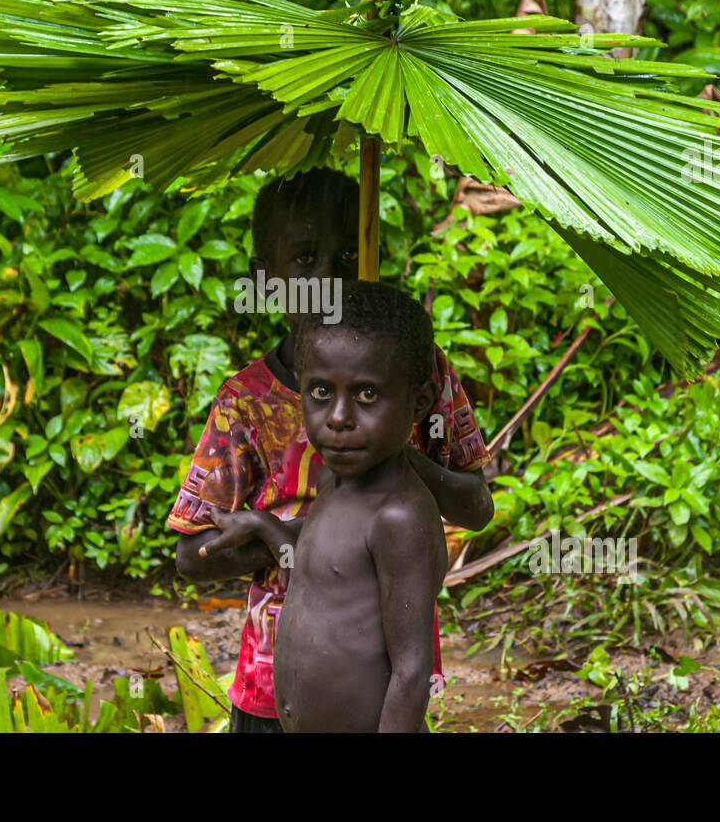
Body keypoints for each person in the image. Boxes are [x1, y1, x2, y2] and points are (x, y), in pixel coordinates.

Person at [166, 167, 493, 733]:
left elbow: (476, 507)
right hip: (273, 675)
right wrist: (281, 539)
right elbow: (190, 556)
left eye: (347, 259)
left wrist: (399, 459)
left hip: (370, 683)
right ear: (266, 278)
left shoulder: (423, 375)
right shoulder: (245, 402)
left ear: (374, 262)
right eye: (305, 259)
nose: (326, 281)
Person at [275, 280, 446, 732]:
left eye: (367, 395)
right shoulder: (337, 482)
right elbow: (322, 570)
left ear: (419, 402)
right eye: (320, 392)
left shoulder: (399, 516)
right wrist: (259, 525)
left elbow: (411, 675)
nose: (338, 417)